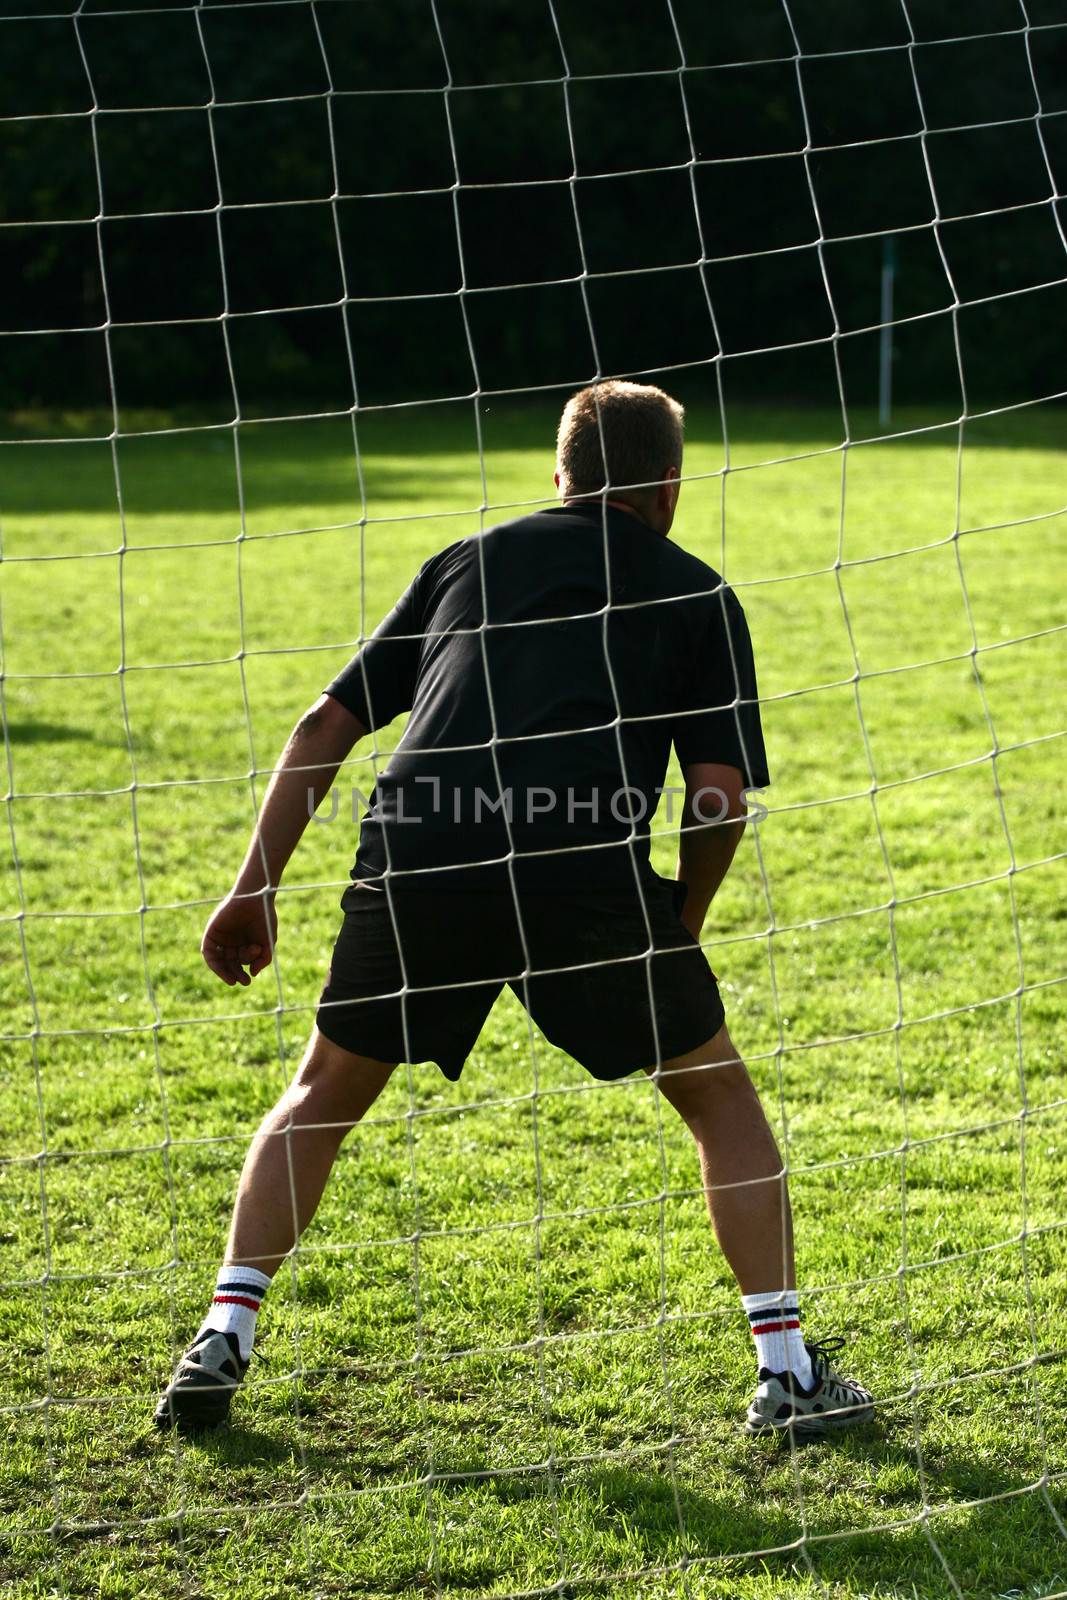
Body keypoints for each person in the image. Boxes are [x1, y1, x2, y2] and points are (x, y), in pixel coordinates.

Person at [154, 381, 873, 1439]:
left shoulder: (466, 559)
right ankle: (786, 1371)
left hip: (420, 839)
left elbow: (321, 724)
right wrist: (684, 916)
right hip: (578, 856)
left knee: (321, 1093)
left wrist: (252, 885)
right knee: (716, 1098)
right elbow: (716, 794)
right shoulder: (696, 592)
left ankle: (223, 1330)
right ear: (669, 485)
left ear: (559, 475)